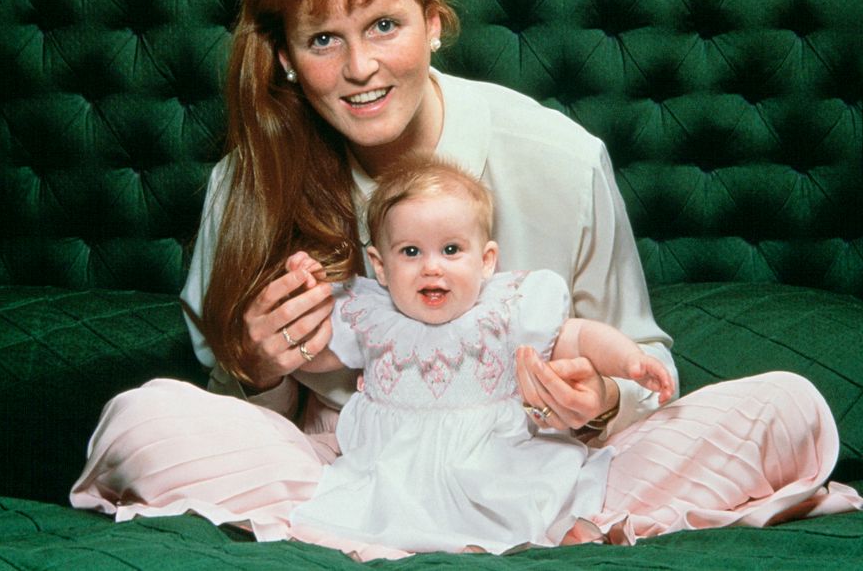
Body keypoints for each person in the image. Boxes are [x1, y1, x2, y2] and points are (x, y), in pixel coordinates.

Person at [70, 0, 861, 559]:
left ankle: (573, 521)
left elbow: (643, 362)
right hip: (350, 468)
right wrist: (261, 369)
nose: (360, 68)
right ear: (283, 58)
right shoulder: (246, 182)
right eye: (322, 40)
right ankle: (356, 529)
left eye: (384, 25)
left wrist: (601, 401)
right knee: (139, 420)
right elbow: (241, 416)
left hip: (544, 462)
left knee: (787, 407)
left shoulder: (561, 157)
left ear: (435, 21)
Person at [288, 154, 674, 554]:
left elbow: (579, 338)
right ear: (380, 267)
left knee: (529, 494)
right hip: (396, 464)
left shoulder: (503, 311)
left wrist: (629, 360)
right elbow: (312, 352)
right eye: (410, 252)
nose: (431, 268)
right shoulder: (374, 316)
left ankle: (555, 528)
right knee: (369, 508)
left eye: (451, 249)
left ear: (486, 261)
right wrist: (304, 289)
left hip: (492, 457)